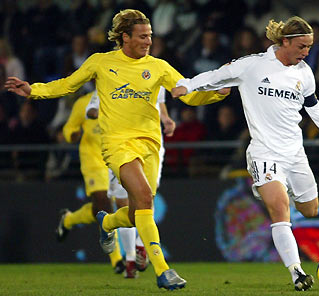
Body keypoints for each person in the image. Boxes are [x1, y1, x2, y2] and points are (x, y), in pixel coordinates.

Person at [5, 9, 228, 290]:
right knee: (145, 198)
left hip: (150, 144)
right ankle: (163, 270)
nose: (149, 41)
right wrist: (33, 91)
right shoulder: (101, 62)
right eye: (143, 36)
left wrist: (215, 94)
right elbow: (68, 85)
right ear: (125, 37)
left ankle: (108, 222)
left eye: (150, 36)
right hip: (117, 144)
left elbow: (189, 96)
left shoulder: (159, 67)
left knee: (137, 211)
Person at [171, 16, 319, 291]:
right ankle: (297, 272)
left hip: (295, 154)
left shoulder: (304, 73)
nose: (306, 53)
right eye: (302, 46)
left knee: (310, 210)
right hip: (264, 152)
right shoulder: (253, 65)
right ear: (285, 41)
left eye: (310, 47)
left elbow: (318, 112)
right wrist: (188, 85)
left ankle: (268, 187)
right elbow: (216, 75)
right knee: (280, 211)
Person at [86, 86, 173, 278]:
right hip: (120, 147)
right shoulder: (109, 77)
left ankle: (140, 246)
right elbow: (91, 111)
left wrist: (165, 119)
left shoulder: (154, 71)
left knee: (145, 198)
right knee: (124, 201)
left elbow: (160, 103)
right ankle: (131, 259)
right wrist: (112, 110)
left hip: (152, 146)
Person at [56, 91, 125, 274]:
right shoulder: (84, 103)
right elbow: (69, 128)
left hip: (117, 158)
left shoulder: (120, 97)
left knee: (98, 210)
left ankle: (69, 219)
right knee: (105, 205)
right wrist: (72, 135)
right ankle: (117, 259)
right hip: (93, 160)